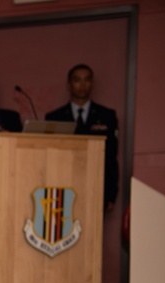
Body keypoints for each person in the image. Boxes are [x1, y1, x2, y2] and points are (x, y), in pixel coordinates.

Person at [45, 64, 120, 211]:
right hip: (63, 186)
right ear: (68, 84)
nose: (82, 85)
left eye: (86, 80)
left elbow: (111, 157)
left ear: (92, 84)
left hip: (97, 186)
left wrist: (111, 195)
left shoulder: (107, 116)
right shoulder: (55, 117)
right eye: (77, 80)